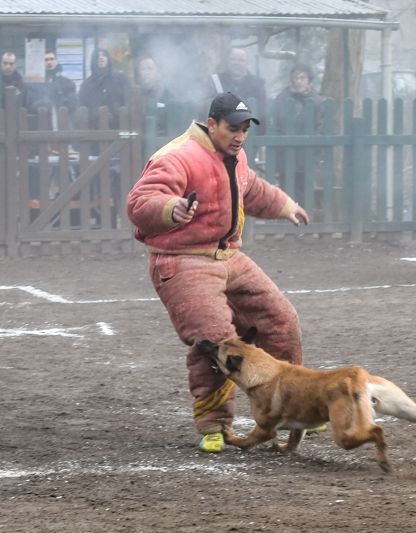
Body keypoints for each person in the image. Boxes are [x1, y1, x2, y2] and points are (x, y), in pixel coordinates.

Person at [126, 92, 309, 453]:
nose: (240, 136)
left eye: (244, 129)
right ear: (212, 125)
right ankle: (215, 425)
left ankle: (293, 408)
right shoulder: (176, 156)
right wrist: (170, 208)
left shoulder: (235, 158)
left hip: (228, 257)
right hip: (181, 260)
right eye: (232, 128)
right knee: (215, 340)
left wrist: (285, 205)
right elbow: (139, 201)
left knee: (282, 320)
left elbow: (252, 190)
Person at [273, 64, 324, 199]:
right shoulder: (281, 99)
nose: (299, 81)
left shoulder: (318, 102)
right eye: (296, 77)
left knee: (304, 194)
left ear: (309, 80)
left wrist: (314, 154)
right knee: (285, 194)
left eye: (303, 77)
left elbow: (320, 129)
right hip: (285, 156)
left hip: (306, 157)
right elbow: (275, 125)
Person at [211, 48, 267, 134]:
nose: (236, 63)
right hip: (222, 136)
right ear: (228, 61)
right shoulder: (216, 81)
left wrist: (262, 139)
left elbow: (262, 113)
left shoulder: (258, 84)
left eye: (241, 60)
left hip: (250, 134)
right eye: (233, 59)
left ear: (247, 63)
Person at [78, 48, 130, 121]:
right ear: (93, 61)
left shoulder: (120, 79)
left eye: (104, 55)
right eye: (97, 56)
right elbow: (82, 107)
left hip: (119, 125)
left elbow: (128, 101)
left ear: (108, 59)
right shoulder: (86, 85)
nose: (101, 57)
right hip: (95, 127)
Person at [137, 57, 171, 135]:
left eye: (150, 69)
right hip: (139, 139)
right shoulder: (136, 93)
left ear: (157, 71)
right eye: (143, 69)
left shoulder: (165, 93)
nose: (146, 72)